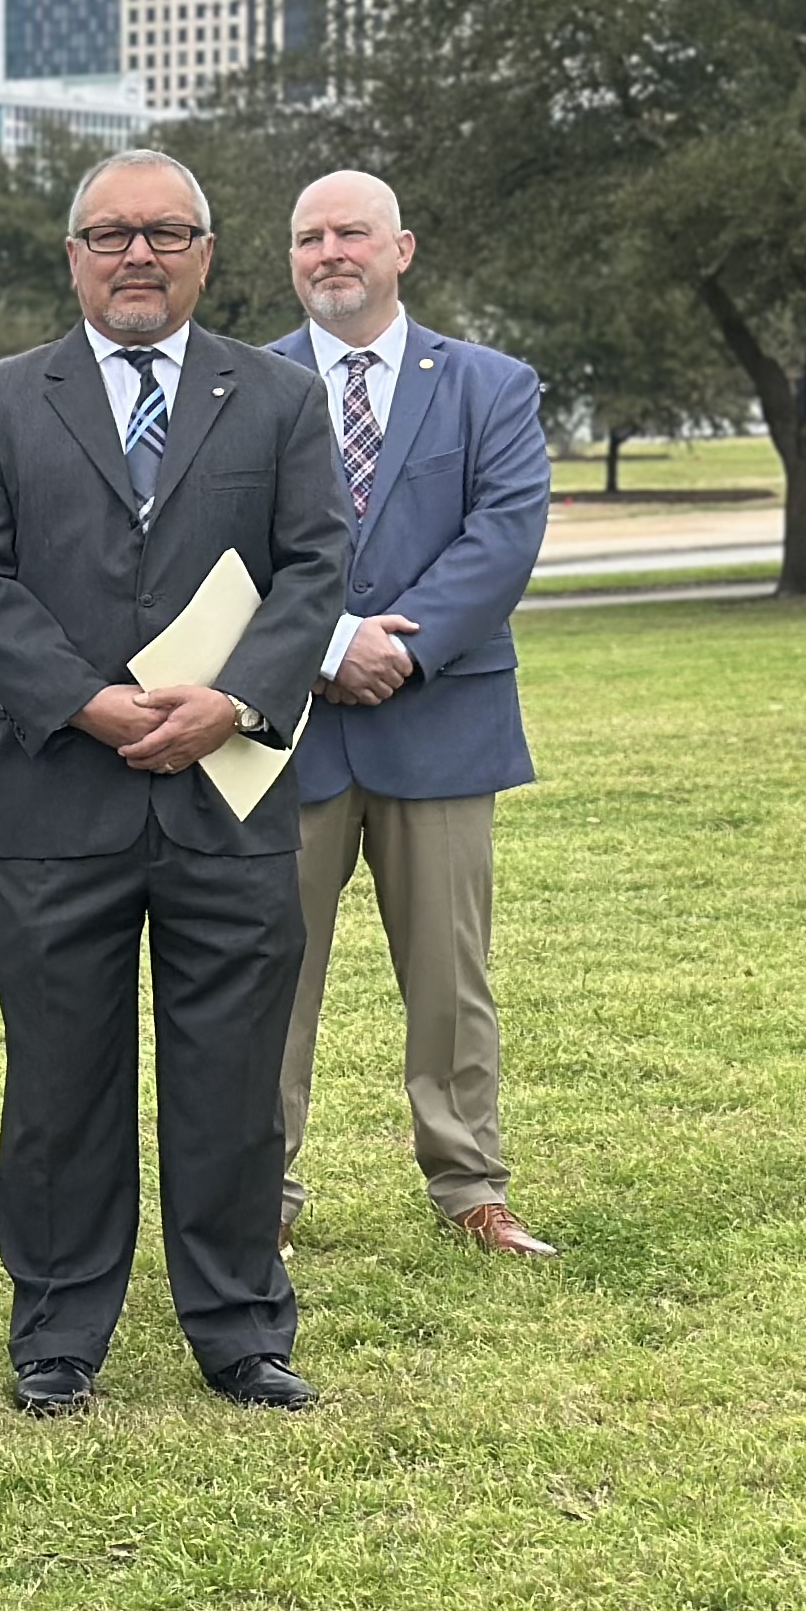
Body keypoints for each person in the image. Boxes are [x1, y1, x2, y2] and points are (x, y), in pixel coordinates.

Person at [0, 151, 349, 1417]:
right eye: (111, 234)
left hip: (229, 793)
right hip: (63, 793)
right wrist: (90, 702)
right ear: (73, 256)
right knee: (61, 1079)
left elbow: (316, 568)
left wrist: (236, 699)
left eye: (166, 233)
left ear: (206, 254)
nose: (138, 255)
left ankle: (238, 1330)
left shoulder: (275, 399)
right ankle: (58, 1333)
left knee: (231, 1078)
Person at [267, 173, 556, 1261]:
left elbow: (505, 534)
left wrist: (404, 643)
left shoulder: (490, 384)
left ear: (402, 249)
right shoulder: (245, 387)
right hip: (286, 732)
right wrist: (330, 643)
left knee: (450, 977)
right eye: (309, 237)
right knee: (266, 979)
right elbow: (221, 547)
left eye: (351, 233)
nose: (330, 251)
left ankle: (470, 1186)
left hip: (441, 721)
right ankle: (261, 1196)